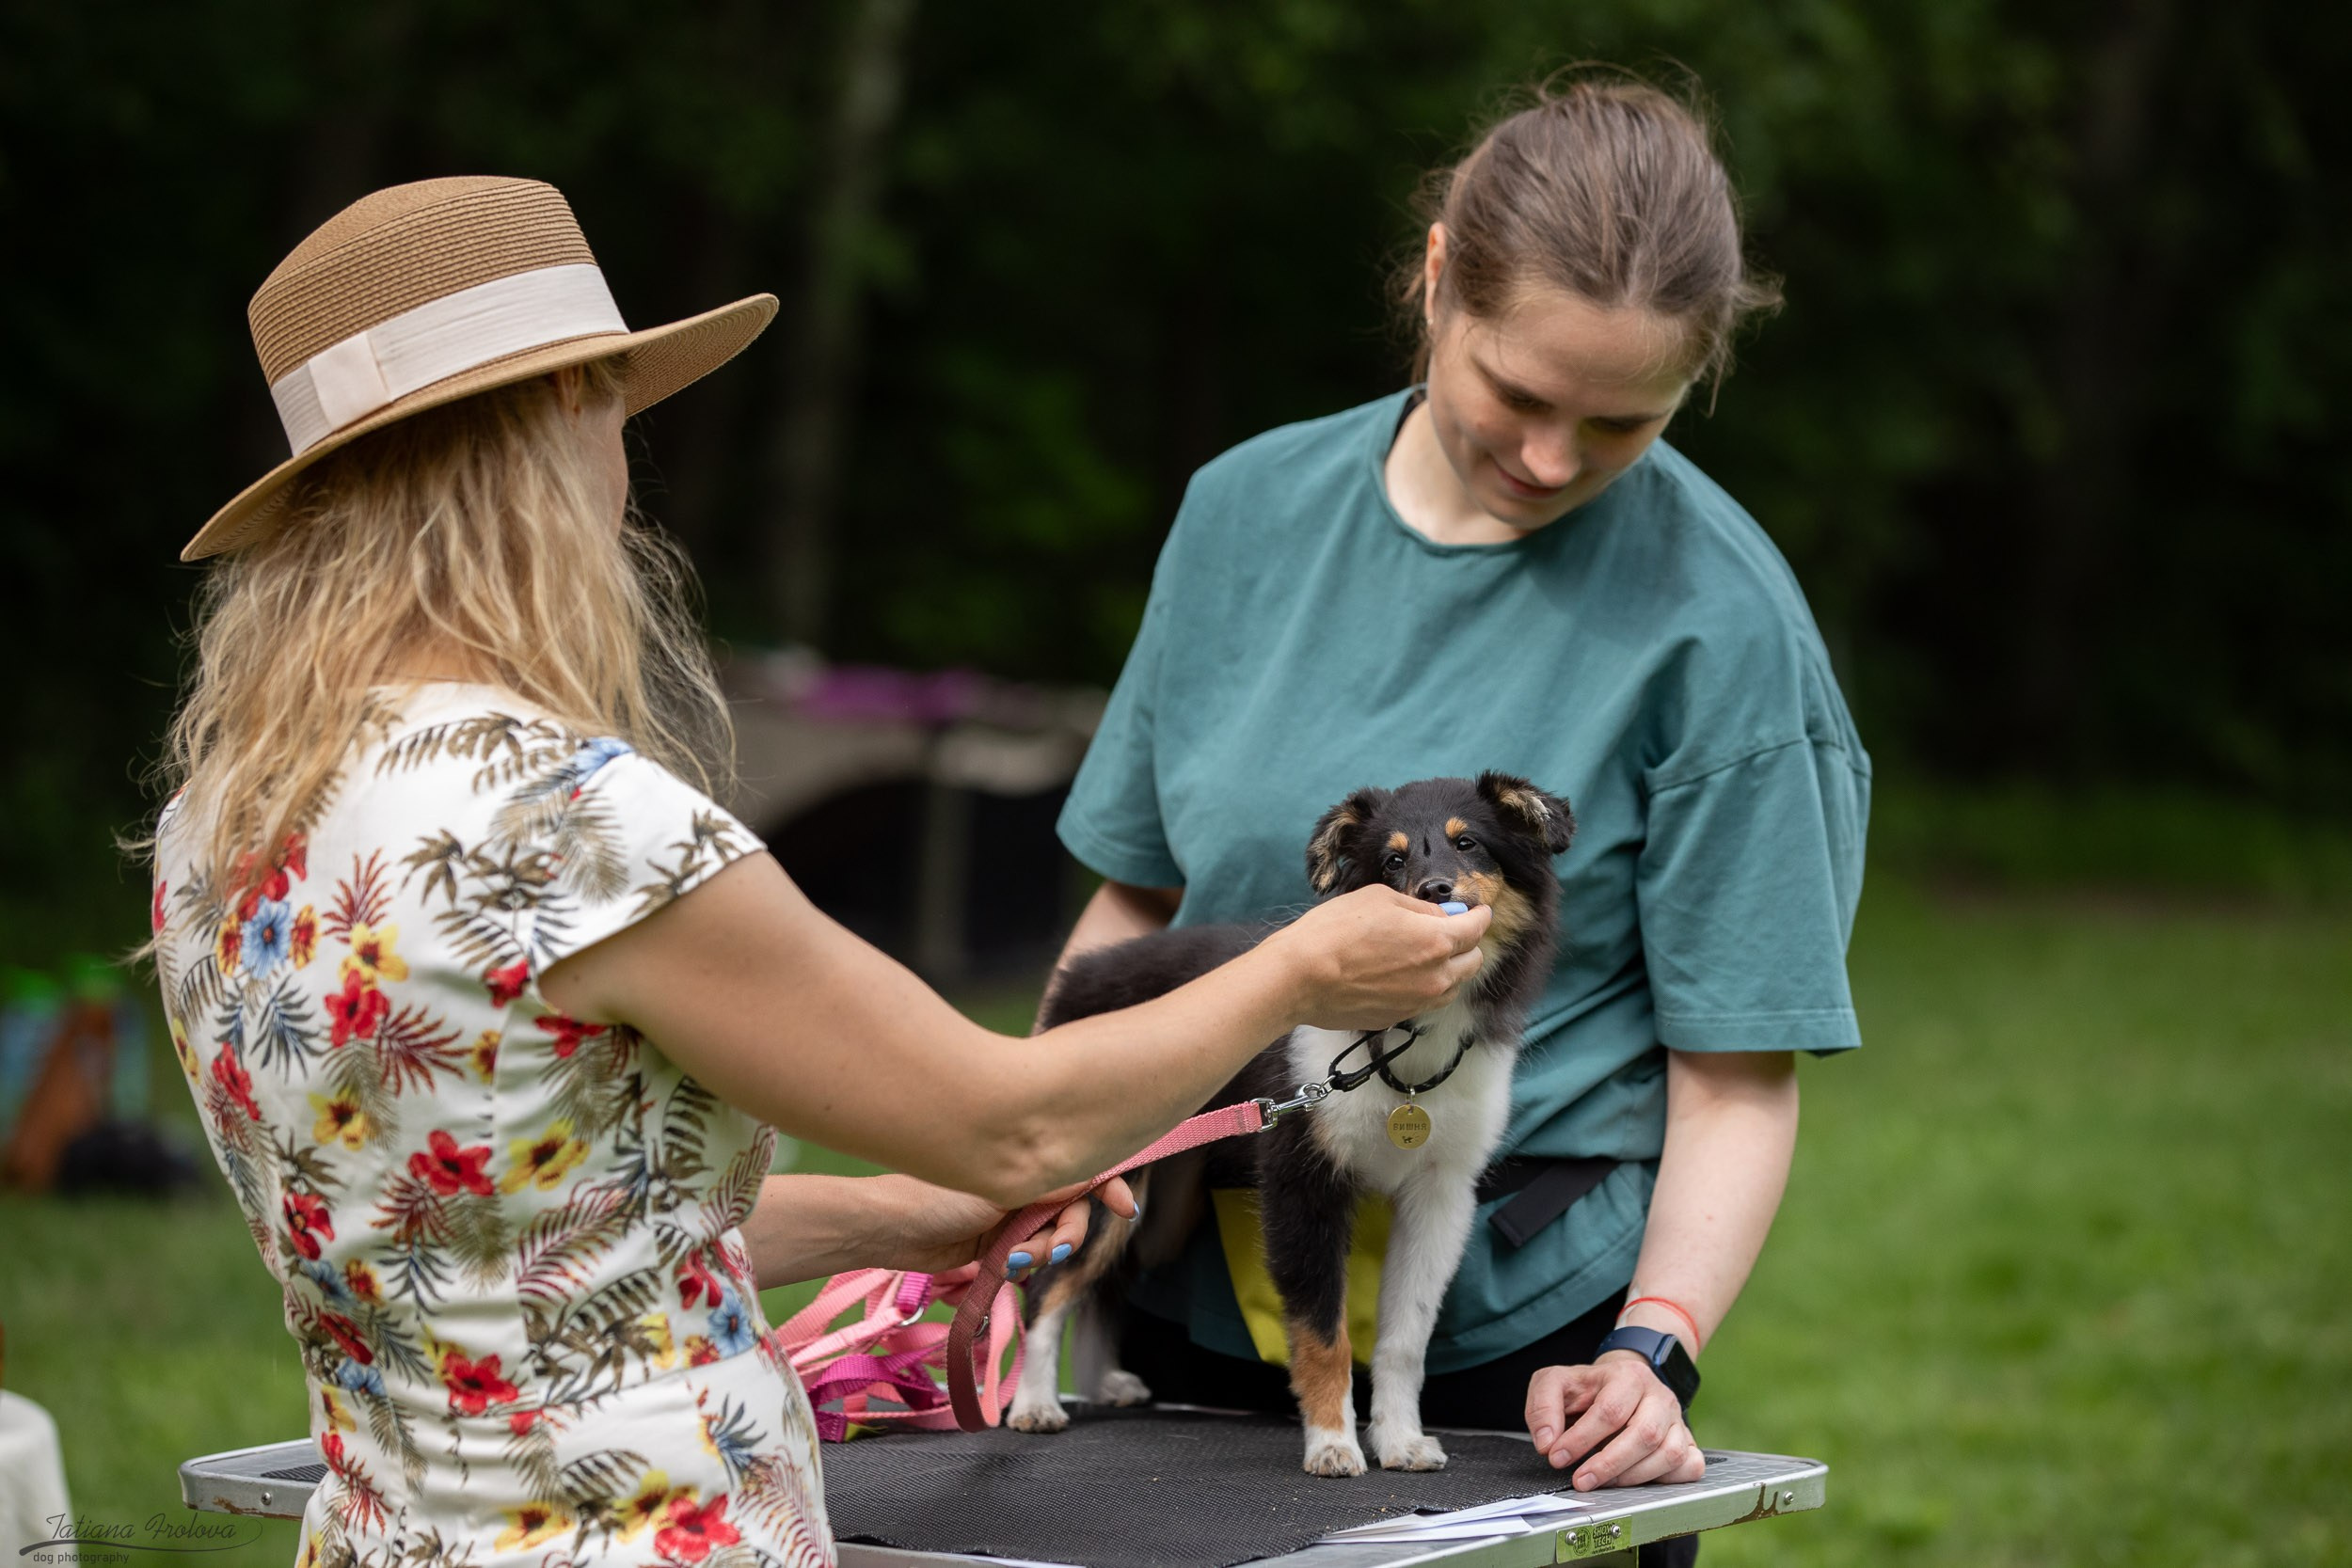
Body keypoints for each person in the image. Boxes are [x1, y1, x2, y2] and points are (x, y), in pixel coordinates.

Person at [143, 176, 1489, 1568]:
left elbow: (512, 1226)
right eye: (617, 410)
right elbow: (1013, 1127)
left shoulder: (222, 827)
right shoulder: (573, 823)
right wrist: (1298, 966)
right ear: (559, 419)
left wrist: (905, 1220)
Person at [1053, 76, 1868, 1560]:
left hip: (1516, 1352)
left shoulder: (1726, 626)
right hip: (1184, 1312)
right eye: (1518, 393)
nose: (1553, 459)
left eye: (1622, 420)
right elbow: (1132, 908)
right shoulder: (1243, 514)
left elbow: (1737, 1077)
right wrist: (1046, 1157)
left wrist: (1655, 1352)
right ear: (1437, 279)